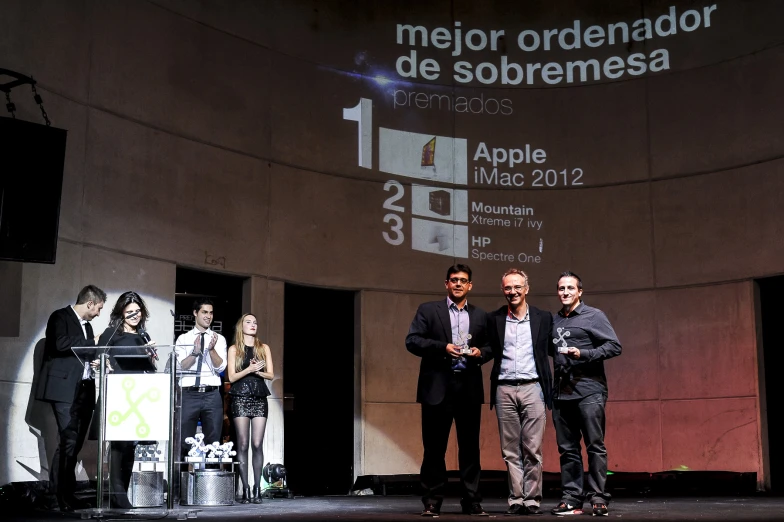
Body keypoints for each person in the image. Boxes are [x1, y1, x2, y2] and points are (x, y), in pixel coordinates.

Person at [405, 264, 491, 517]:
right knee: (434, 449)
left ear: (470, 286)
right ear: (446, 283)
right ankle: (432, 501)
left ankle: (472, 502)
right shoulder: (429, 310)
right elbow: (413, 341)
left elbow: (490, 346)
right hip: (437, 387)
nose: (458, 284)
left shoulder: (480, 315)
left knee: (470, 449)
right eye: (454, 280)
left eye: (463, 280)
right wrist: (442, 347)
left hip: (468, 387)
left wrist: (481, 353)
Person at [550, 272, 622, 517]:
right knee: (567, 449)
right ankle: (571, 498)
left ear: (580, 291)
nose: (565, 292)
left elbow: (614, 346)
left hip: (589, 391)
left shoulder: (594, 316)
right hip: (561, 394)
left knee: (594, 446)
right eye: (561, 288)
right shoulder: (555, 321)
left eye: (570, 288)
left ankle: (598, 497)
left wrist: (583, 354)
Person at [486, 269, 553, 516]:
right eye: (507, 288)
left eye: (517, 287)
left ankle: (532, 499)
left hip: (533, 387)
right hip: (504, 388)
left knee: (532, 449)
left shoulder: (543, 318)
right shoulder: (494, 319)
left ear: (526, 288)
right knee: (510, 450)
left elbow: (554, 348)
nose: (512, 292)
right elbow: (487, 349)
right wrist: (474, 354)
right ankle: (516, 498)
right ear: (502, 290)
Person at [36, 285, 106, 512]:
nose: (98, 314)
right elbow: (60, 344)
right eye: (98, 308)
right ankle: (57, 497)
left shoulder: (87, 327)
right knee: (67, 442)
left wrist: (94, 358)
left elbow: (83, 351)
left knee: (75, 445)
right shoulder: (60, 317)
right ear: (89, 303)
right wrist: (92, 342)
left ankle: (68, 494)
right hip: (64, 390)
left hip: (84, 390)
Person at [96, 291, 157, 510]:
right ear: (121, 312)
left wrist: (151, 355)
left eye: (138, 311)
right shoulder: (112, 333)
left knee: (131, 445)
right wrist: (104, 364)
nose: (135, 315)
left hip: (138, 394)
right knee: (118, 444)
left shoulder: (143, 336)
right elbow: (98, 357)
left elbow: (148, 367)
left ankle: (121, 494)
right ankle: (117, 494)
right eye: (130, 311)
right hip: (117, 391)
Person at [227, 313, 274, 504]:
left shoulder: (263, 348)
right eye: (249, 322)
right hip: (240, 397)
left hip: (259, 396)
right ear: (241, 326)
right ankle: (245, 488)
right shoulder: (234, 349)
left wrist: (258, 371)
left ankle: (257, 488)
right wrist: (248, 369)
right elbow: (231, 377)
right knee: (243, 443)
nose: (253, 325)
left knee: (257, 443)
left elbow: (271, 375)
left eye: (255, 322)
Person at [174, 298, 227, 456]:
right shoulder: (183, 339)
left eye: (211, 313)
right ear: (195, 313)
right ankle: (181, 480)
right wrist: (195, 352)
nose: (208, 316)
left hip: (212, 395)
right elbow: (180, 367)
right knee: (184, 442)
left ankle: (210, 480)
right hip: (189, 394)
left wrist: (211, 350)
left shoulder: (219, 339)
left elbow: (222, 367)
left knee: (214, 443)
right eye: (204, 312)